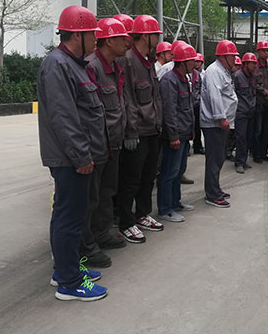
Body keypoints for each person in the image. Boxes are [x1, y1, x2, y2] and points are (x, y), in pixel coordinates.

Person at [37, 5, 108, 301]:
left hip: (75, 156)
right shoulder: (58, 66)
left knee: (68, 215)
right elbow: (64, 118)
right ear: (77, 35)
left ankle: (64, 269)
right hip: (70, 159)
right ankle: (69, 282)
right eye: (93, 34)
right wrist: (81, 157)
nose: (96, 39)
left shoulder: (74, 63)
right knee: (69, 218)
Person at [80, 18, 130, 269]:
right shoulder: (92, 66)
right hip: (96, 144)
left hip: (113, 141)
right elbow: (89, 112)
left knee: (107, 191)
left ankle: (101, 234)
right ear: (108, 41)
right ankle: (86, 246)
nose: (126, 43)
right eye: (122, 38)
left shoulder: (115, 66)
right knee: (91, 197)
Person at [118, 15, 164, 242]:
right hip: (138, 132)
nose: (158, 39)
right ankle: (126, 222)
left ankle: (142, 214)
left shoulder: (148, 61)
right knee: (131, 179)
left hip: (152, 129)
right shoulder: (127, 61)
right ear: (146, 36)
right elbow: (127, 98)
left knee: (148, 177)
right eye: (156, 35)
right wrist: (130, 131)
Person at [157, 43, 198, 222]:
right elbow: (169, 111)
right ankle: (165, 209)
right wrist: (173, 136)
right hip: (175, 136)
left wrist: (191, 131)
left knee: (179, 170)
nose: (194, 64)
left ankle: (175, 202)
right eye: (191, 61)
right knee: (169, 172)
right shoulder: (169, 81)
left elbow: (187, 109)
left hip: (184, 133)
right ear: (183, 62)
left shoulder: (183, 79)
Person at [200, 40, 239, 208]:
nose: (234, 59)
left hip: (221, 123)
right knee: (214, 159)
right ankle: (212, 194)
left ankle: (214, 188)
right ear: (223, 57)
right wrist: (221, 117)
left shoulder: (222, 71)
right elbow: (215, 96)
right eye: (232, 56)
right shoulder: (214, 71)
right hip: (214, 124)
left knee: (219, 157)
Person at [233, 52, 258, 174]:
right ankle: (239, 162)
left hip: (251, 112)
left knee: (248, 138)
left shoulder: (253, 77)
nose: (254, 66)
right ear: (245, 64)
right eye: (252, 64)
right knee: (241, 138)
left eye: (255, 64)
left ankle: (243, 160)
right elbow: (232, 95)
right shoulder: (237, 76)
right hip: (241, 113)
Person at [253, 41, 268, 163]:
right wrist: (266, 93)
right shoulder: (254, 65)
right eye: (264, 50)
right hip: (259, 102)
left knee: (267, 130)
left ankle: (263, 153)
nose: (266, 52)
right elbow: (253, 83)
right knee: (257, 130)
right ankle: (256, 154)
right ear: (258, 51)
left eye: (267, 50)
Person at [192, 53, 205, 155]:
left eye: (198, 61)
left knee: (197, 127)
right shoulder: (188, 73)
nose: (196, 63)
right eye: (195, 61)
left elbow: (201, 88)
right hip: (188, 104)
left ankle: (198, 146)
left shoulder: (201, 74)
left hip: (197, 104)